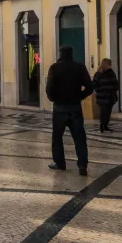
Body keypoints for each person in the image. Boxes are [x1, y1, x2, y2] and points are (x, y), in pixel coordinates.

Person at [45, 45, 94, 176]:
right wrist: (79, 97)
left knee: (57, 137)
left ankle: (60, 163)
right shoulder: (80, 67)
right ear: (72, 54)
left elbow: (49, 88)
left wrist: (54, 98)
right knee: (79, 137)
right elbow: (90, 87)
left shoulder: (54, 68)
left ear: (60, 54)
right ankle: (83, 164)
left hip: (59, 108)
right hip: (75, 108)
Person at [91, 58, 119, 132]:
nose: (111, 66)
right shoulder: (98, 74)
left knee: (108, 111)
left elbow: (115, 83)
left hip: (110, 96)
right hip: (102, 96)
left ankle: (105, 125)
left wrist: (114, 88)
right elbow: (94, 84)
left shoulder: (111, 73)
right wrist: (100, 90)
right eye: (110, 64)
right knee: (103, 111)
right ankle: (102, 125)